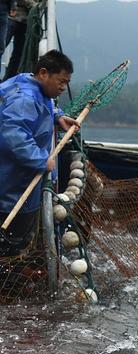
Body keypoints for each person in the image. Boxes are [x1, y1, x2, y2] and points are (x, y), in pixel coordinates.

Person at [0, 50, 80, 256]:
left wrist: (58, 116)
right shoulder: (24, 99)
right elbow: (14, 134)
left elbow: (46, 105)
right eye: (61, 82)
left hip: (21, 183)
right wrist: (41, 160)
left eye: (66, 83)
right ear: (43, 73)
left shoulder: (29, 83)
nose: (63, 88)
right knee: (10, 246)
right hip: (11, 188)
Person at [3, 0, 37, 81]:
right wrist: (34, 5)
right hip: (10, 16)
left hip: (27, 22)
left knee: (19, 55)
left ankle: (7, 82)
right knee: (1, 47)